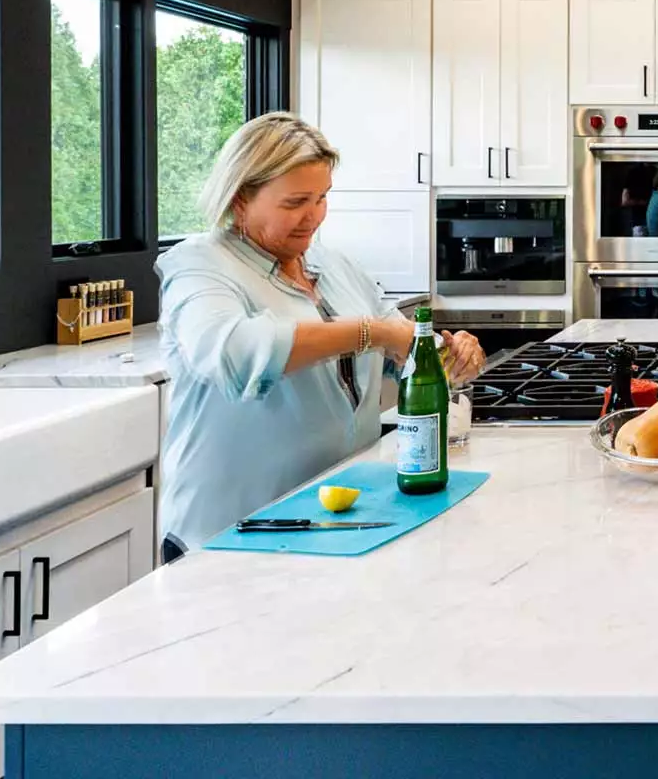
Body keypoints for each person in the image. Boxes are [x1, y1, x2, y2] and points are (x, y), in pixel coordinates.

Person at [155, 112, 484, 557]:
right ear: (239, 198)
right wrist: (371, 332)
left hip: (339, 523)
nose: (313, 217)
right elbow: (233, 353)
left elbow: (401, 347)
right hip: (232, 534)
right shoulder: (198, 267)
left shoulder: (333, 266)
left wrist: (449, 352)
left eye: (321, 199)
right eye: (295, 202)